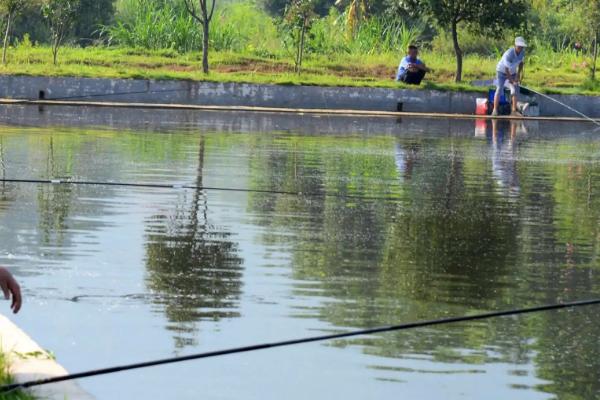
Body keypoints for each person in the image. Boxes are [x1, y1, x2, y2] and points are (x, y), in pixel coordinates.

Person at [492, 37, 527, 116]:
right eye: (519, 47)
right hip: (501, 71)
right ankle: (495, 110)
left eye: (522, 47)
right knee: (499, 88)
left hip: (512, 72)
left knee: (514, 89)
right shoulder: (509, 54)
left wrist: (518, 75)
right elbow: (506, 69)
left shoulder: (522, 53)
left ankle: (513, 111)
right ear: (515, 46)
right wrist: (511, 80)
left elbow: (521, 64)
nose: (520, 49)